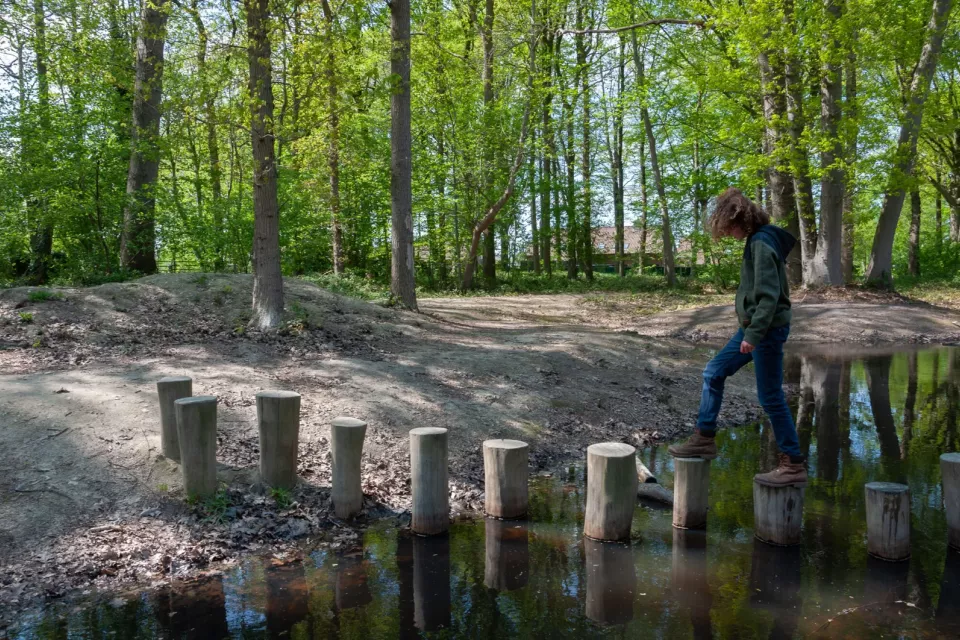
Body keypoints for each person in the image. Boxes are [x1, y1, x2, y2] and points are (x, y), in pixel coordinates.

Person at [668, 187, 807, 487]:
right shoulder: (759, 241)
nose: (727, 232)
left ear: (742, 219)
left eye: (728, 226)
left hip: (764, 330)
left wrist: (754, 335)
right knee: (714, 371)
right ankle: (704, 438)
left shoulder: (761, 243)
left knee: (770, 397)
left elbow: (769, 297)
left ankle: (793, 463)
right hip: (753, 328)